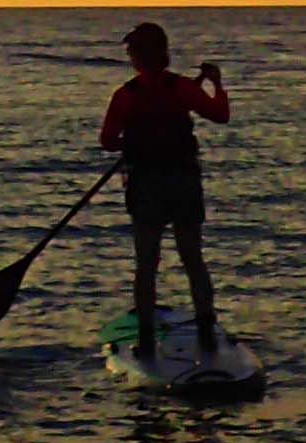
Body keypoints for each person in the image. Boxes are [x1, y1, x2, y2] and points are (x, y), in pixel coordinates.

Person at [99, 21, 232, 361]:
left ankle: (145, 339)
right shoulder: (182, 89)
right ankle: (206, 331)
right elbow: (220, 114)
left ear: (139, 58)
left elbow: (108, 141)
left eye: (131, 53)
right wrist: (216, 83)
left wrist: (133, 141)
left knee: (147, 263)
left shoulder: (126, 96)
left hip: (147, 187)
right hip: (183, 184)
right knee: (193, 259)